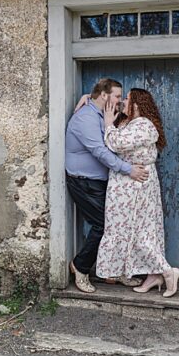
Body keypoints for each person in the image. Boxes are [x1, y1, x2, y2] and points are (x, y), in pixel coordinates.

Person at [94, 88, 179, 297]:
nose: (123, 101)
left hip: (135, 187)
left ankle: (168, 271)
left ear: (136, 105)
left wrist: (108, 123)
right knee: (132, 230)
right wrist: (86, 99)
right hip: (125, 186)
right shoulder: (128, 123)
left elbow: (116, 144)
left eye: (127, 99)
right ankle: (154, 275)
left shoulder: (145, 125)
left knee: (140, 231)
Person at [64, 78, 149, 293]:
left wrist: (86, 95)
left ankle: (114, 272)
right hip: (84, 182)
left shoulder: (102, 113)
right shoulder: (85, 118)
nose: (121, 101)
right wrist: (129, 169)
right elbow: (100, 152)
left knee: (117, 224)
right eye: (117, 96)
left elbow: (124, 111)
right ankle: (80, 267)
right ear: (104, 96)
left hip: (101, 182)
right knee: (104, 225)